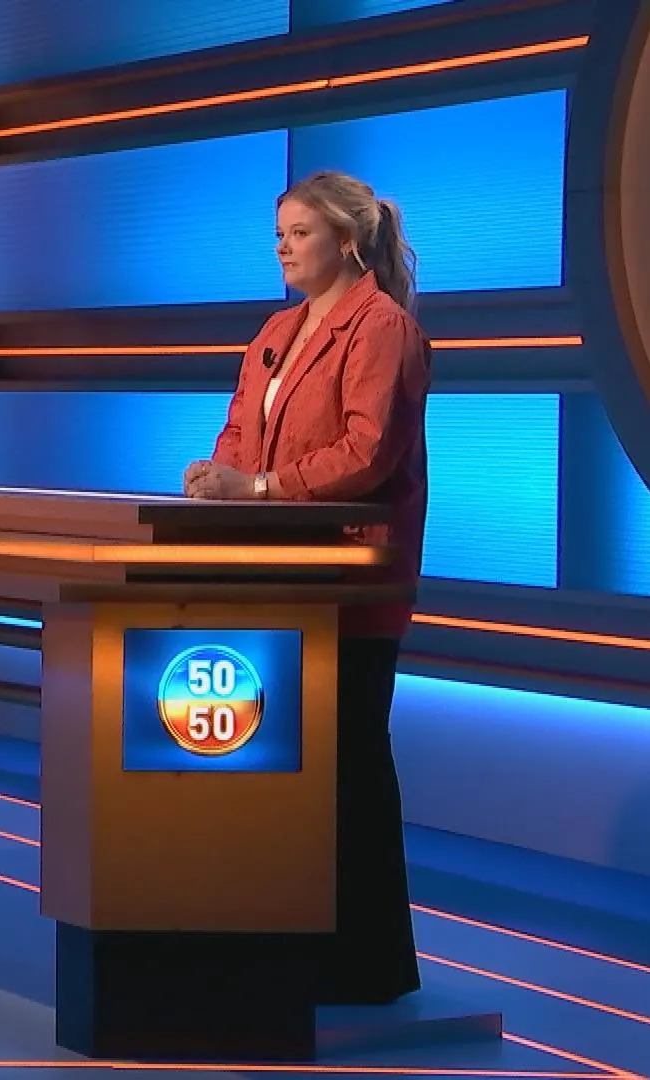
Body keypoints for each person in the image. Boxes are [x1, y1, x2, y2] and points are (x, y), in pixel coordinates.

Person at [185, 169, 429, 1006]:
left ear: (348, 242)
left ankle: (367, 965)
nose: (283, 249)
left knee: (346, 766)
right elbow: (241, 427)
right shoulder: (278, 329)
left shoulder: (383, 328)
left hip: (346, 584)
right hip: (272, 578)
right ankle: (289, 945)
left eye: (299, 234)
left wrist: (257, 489)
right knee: (288, 771)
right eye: (278, 235)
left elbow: (367, 453)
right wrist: (219, 473)